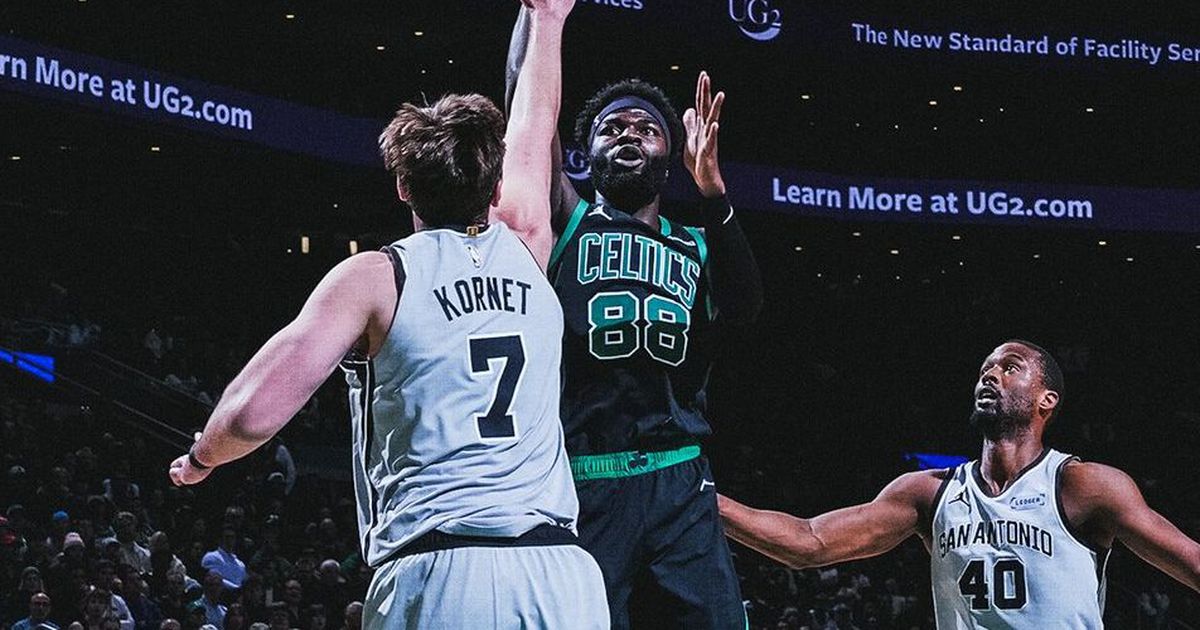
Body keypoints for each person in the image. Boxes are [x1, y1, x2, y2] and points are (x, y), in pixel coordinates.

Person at [167, 1, 607, 627]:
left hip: (442, 567)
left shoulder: (378, 277)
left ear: (403, 187)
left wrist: (201, 459)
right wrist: (549, 20)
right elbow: (536, 125)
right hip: (561, 574)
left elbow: (252, 414)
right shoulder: (527, 240)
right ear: (494, 185)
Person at [503, 6, 763, 628]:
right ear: (586, 153)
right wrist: (539, 16)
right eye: (611, 127)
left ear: (669, 157)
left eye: (646, 129)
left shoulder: (695, 244)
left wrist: (714, 191)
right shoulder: (566, 220)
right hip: (585, 479)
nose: (628, 135)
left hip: (681, 481)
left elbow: (747, 306)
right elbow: (526, 112)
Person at [719, 340, 1200, 628]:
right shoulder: (928, 493)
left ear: (1046, 399)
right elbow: (809, 542)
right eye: (986, 369)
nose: (990, 374)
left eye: (1010, 367)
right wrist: (703, 498)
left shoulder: (1083, 486)